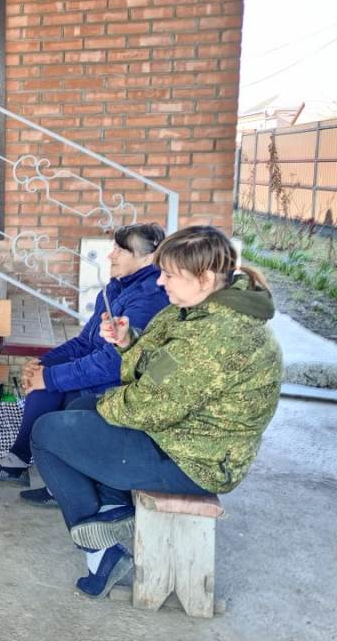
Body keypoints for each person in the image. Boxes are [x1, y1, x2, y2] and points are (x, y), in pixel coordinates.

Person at [30, 225, 282, 599]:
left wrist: (104, 403)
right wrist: (127, 341)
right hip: (179, 434)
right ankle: (112, 508)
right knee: (81, 407)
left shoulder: (218, 335)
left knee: (47, 432)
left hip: (197, 460)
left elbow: (146, 406)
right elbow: (155, 363)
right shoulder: (198, 309)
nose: (161, 282)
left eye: (169, 275)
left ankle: (98, 547)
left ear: (204, 278)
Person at [0, 223, 170, 508]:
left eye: (121, 250)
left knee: (64, 393)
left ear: (149, 257)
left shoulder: (150, 298)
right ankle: (20, 463)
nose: (110, 255)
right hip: (105, 372)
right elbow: (85, 342)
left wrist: (51, 377)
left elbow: (114, 364)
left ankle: (64, 484)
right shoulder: (116, 288)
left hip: (125, 384)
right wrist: (43, 363)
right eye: (114, 248)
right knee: (45, 381)